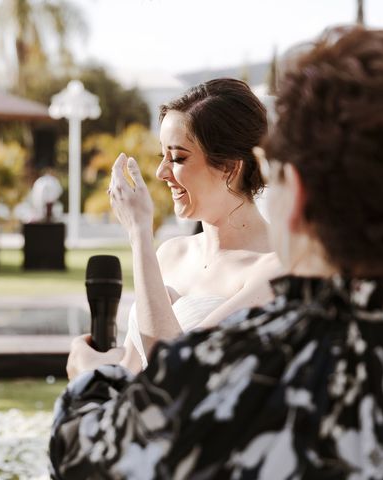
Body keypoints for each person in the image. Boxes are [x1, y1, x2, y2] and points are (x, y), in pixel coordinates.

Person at [50, 27, 383, 478]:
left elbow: (96, 457)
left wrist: (89, 384)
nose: (164, 171)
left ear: (296, 190)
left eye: (178, 156)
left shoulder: (260, 356)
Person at [109, 78, 282, 372]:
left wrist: (139, 234)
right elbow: (131, 366)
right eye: (161, 155)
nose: (162, 172)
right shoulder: (169, 254)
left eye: (177, 157)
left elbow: (176, 374)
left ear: (229, 166)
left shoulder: (276, 268)